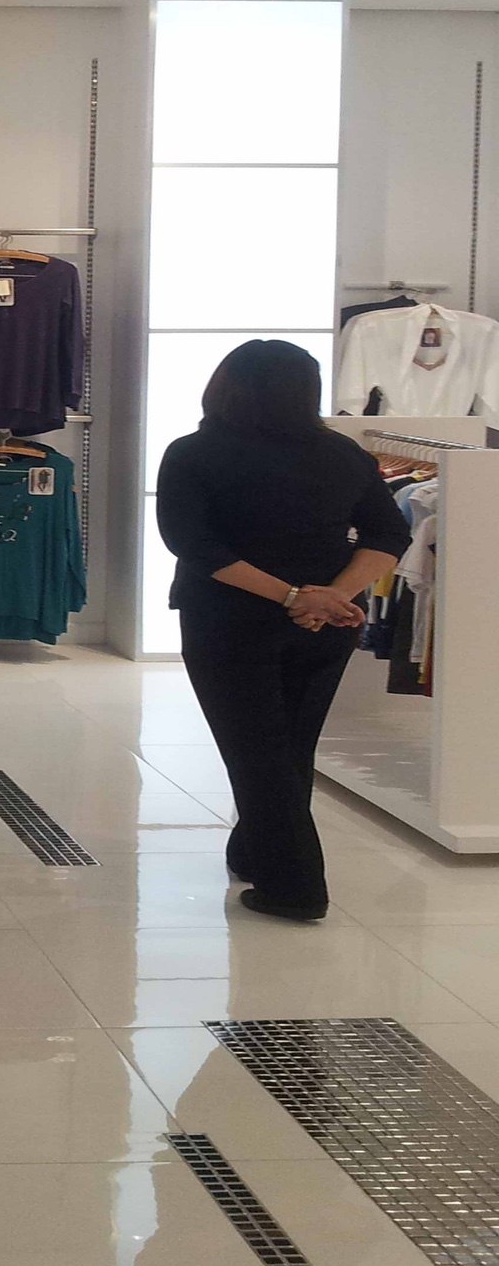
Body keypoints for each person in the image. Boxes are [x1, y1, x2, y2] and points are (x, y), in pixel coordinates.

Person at [156, 339, 410, 921]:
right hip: (325, 624)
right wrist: (332, 596)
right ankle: (254, 849)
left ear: (224, 387)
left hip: (229, 619)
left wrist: (296, 596)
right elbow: (389, 533)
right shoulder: (343, 453)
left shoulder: (194, 453)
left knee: (256, 751)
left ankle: (294, 886)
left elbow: (194, 545)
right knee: (290, 744)